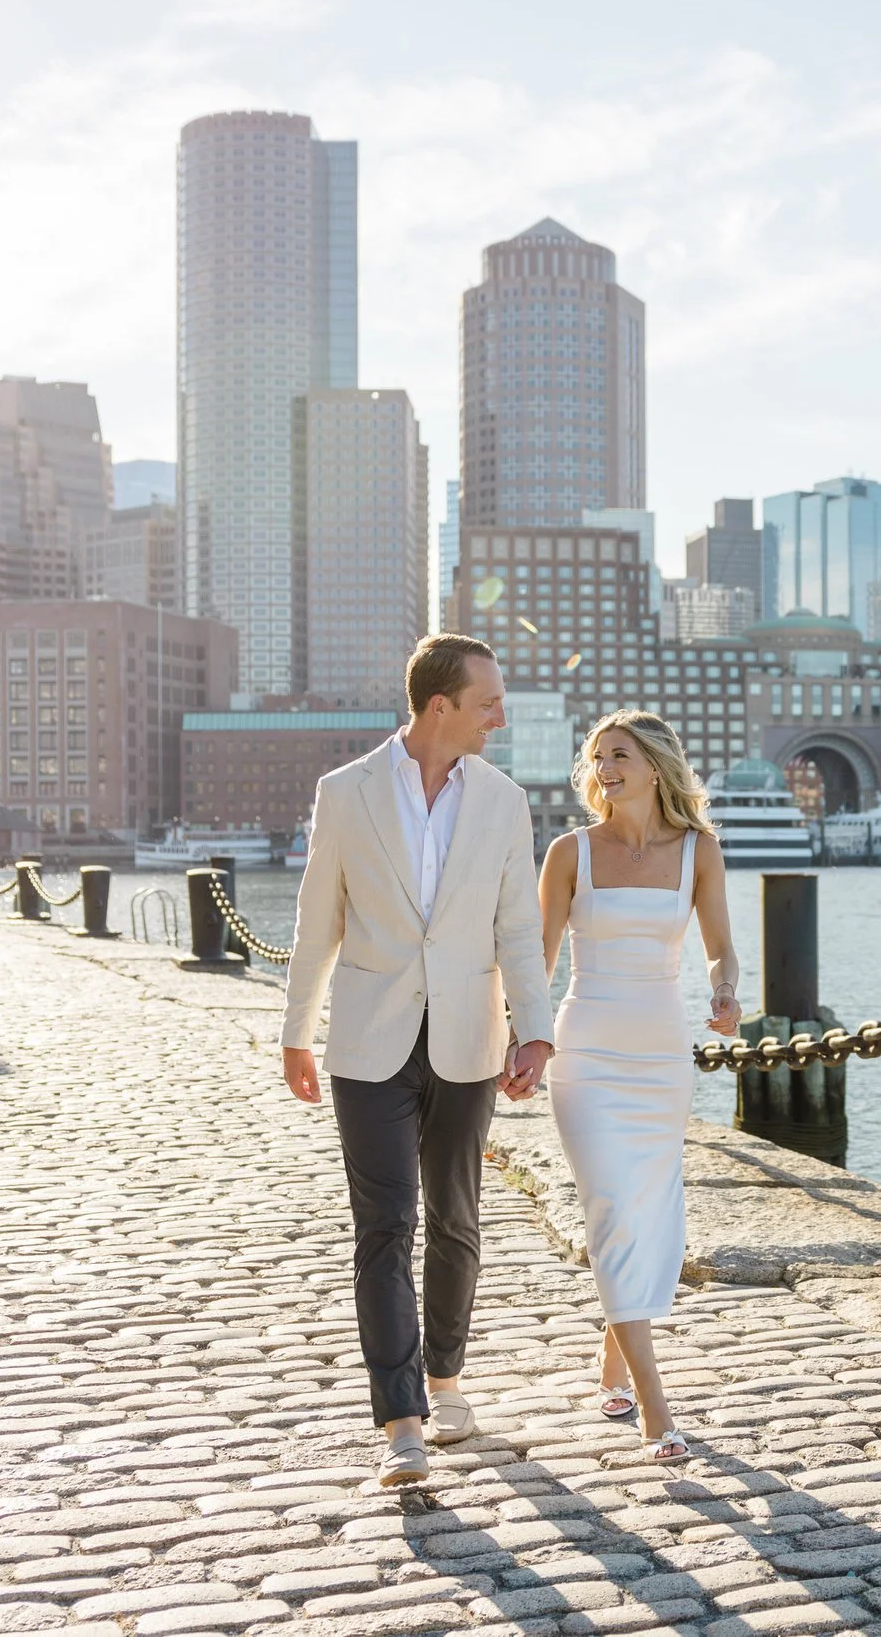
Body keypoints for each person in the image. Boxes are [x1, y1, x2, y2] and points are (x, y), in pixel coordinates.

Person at [279, 634, 555, 1489]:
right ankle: (401, 1418)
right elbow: (317, 917)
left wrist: (533, 1027)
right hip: (369, 1039)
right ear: (440, 706)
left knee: (456, 1221)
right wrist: (297, 1029)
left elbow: (517, 926)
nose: (499, 716)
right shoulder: (345, 793)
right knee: (385, 1222)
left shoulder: (505, 801)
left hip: (470, 1035)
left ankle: (446, 1377)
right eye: (487, 702)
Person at [536, 711, 740, 1463]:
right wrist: (520, 1040)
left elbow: (721, 950)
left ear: (656, 766)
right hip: (585, 1049)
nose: (605, 768)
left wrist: (726, 995)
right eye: (596, 757)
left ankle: (615, 1356)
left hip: (660, 1054)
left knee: (650, 1209)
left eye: (619, 754)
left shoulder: (699, 852)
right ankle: (658, 1409)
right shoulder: (568, 853)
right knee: (612, 1205)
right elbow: (539, 960)